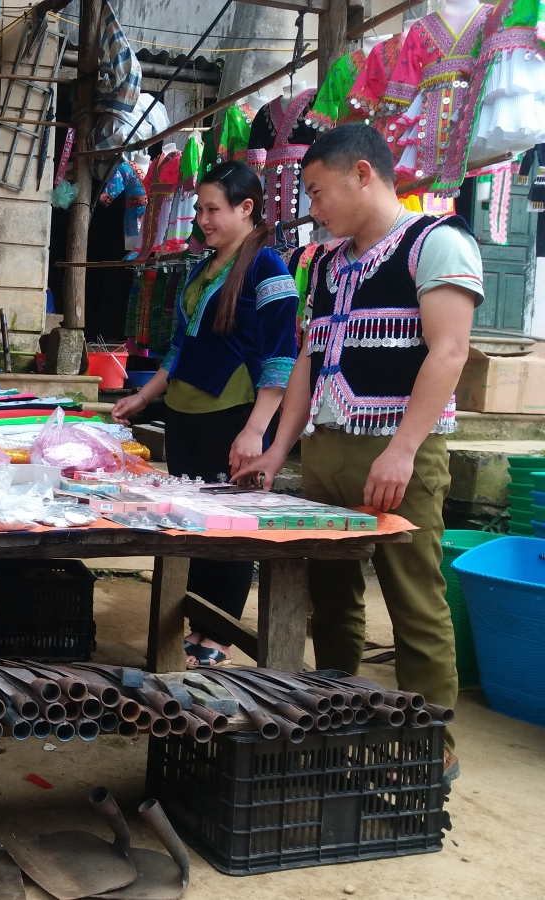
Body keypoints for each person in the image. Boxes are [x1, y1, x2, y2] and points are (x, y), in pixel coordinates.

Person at [238, 124, 481, 782]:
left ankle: (430, 743)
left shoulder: (437, 242)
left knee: (413, 598)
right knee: (331, 594)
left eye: (318, 191)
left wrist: (403, 449)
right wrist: (278, 450)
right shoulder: (324, 263)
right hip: (327, 450)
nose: (313, 207)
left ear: (362, 175)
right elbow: (309, 363)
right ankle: (336, 713)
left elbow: (450, 351)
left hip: (398, 451)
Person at [113, 160, 299, 665]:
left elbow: (282, 358)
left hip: (234, 416)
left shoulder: (268, 268)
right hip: (184, 413)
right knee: (193, 523)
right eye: (199, 209)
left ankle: (218, 637)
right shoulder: (203, 266)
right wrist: (145, 396)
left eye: (212, 209)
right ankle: (198, 627)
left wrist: (255, 430)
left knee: (230, 526)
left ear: (246, 208)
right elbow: (180, 346)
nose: (202, 219)